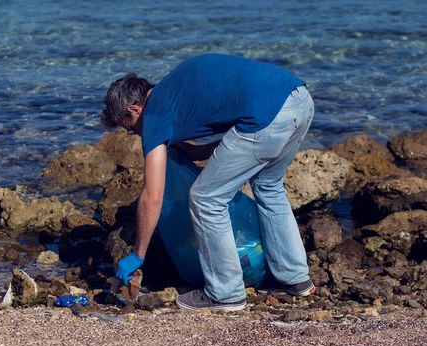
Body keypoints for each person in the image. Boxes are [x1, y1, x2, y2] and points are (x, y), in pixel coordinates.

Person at [99, 53, 315, 311]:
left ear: (134, 110)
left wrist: (138, 254)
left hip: (267, 117)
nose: (137, 134)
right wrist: (188, 151)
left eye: (131, 128)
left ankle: (225, 294)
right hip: (299, 99)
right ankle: (296, 279)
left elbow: (152, 196)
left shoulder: (154, 115)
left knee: (205, 198)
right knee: (268, 187)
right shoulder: (172, 89)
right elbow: (211, 147)